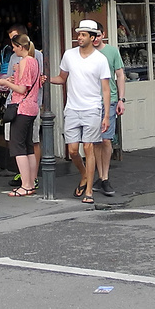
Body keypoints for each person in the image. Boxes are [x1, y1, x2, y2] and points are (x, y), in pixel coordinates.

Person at [58, 19, 111, 205]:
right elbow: (62, 78)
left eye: (83, 35)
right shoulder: (69, 55)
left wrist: (105, 116)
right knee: (73, 151)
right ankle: (85, 175)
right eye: (78, 34)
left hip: (92, 108)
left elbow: (106, 89)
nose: (79, 37)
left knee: (88, 148)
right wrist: (47, 79)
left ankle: (89, 191)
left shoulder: (100, 59)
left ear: (92, 37)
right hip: (72, 108)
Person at [0, 33, 41, 196]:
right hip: (32, 107)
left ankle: (25, 185)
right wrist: (15, 76)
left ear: (20, 47)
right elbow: (29, 84)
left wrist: (5, 82)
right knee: (28, 145)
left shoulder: (24, 62)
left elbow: (22, 89)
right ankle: (30, 183)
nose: (13, 50)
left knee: (18, 146)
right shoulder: (34, 61)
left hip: (21, 108)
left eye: (14, 47)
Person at [92, 23, 126, 197]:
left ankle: (105, 177)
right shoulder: (85, 53)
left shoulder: (112, 51)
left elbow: (120, 75)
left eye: (98, 35)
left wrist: (121, 99)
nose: (96, 39)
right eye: (93, 35)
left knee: (106, 139)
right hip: (90, 101)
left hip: (109, 100)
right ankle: (99, 176)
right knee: (94, 141)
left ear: (103, 34)